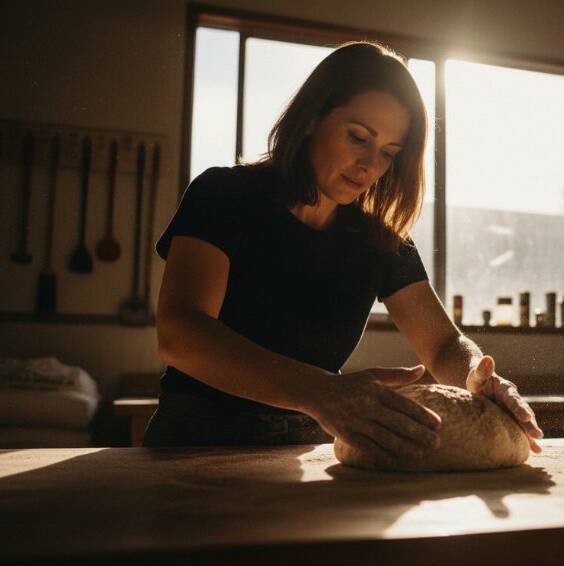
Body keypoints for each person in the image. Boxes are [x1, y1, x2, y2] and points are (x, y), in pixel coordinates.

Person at [144, 41, 543, 459]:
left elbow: (444, 345)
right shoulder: (223, 195)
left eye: (388, 153)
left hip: (306, 446)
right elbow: (180, 332)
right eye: (358, 138)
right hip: (193, 439)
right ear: (313, 118)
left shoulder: (380, 243)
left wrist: (478, 376)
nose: (370, 166)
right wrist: (321, 391)